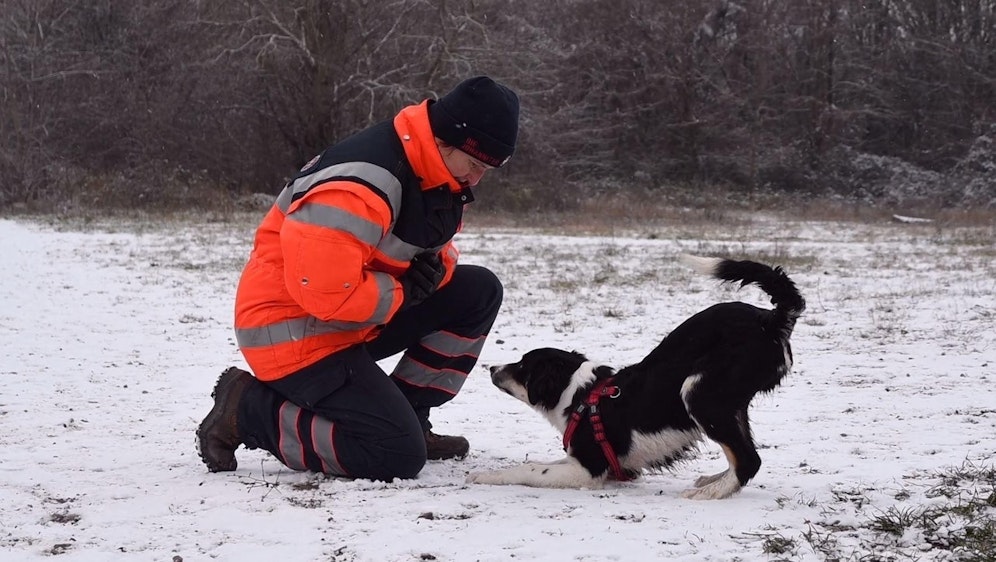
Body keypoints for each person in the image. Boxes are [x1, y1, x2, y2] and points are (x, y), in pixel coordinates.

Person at [196, 76, 519, 480]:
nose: (477, 179)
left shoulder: (436, 173)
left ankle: (408, 414)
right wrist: (404, 290)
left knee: (478, 291)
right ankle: (248, 409)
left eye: (487, 169)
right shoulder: (360, 185)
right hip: (293, 333)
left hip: (353, 318)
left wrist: (433, 275)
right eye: (475, 165)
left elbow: (436, 251)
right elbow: (326, 294)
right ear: (447, 140)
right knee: (395, 456)